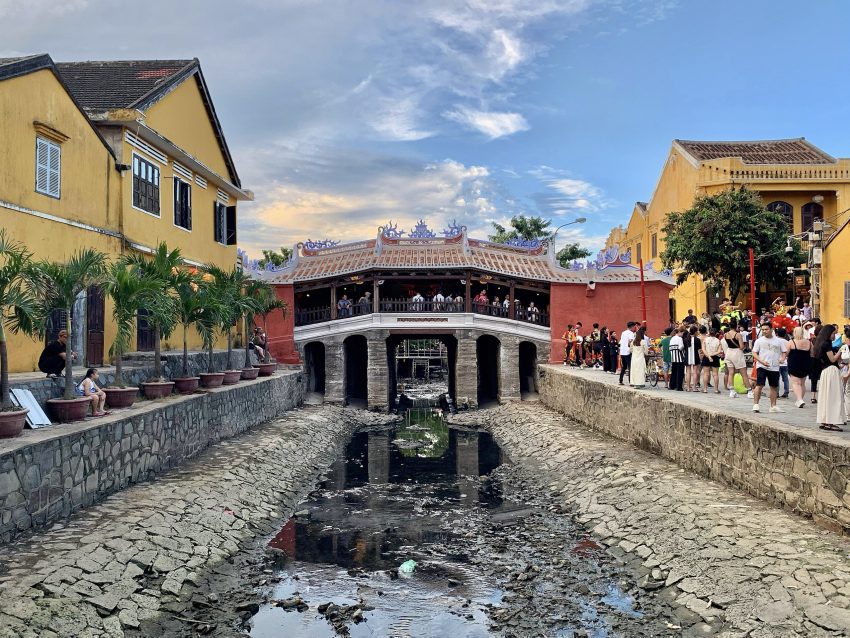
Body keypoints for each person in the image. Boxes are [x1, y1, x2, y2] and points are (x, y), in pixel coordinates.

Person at [751, 321, 788, 414]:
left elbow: (784, 351)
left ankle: (773, 406)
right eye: (763, 330)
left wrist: (782, 359)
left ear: (771, 329)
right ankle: (756, 404)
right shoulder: (759, 341)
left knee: (773, 386)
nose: (764, 331)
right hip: (762, 366)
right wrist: (761, 361)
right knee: (759, 385)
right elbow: (754, 352)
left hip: (774, 366)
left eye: (766, 329)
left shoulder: (778, 341)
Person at [813, 325, 844, 431]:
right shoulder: (827, 344)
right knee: (833, 397)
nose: (835, 335)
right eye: (834, 333)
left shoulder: (820, 343)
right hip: (831, 371)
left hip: (825, 371)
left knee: (826, 396)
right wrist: (841, 350)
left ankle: (825, 420)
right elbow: (832, 359)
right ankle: (831, 421)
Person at [722, 318, 752, 398]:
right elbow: (741, 347)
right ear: (736, 326)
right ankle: (749, 391)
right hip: (737, 353)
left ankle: (732, 391)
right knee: (743, 373)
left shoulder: (725, 334)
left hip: (729, 352)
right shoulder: (738, 335)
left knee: (731, 372)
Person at [786, 326, 811, 408]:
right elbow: (813, 353)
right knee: (802, 383)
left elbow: (786, 353)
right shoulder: (808, 342)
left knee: (796, 383)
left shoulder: (791, 342)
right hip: (806, 364)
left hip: (794, 363)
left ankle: (799, 399)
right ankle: (799, 400)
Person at [698, 326, 722, 394]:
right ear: (716, 333)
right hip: (715, 358)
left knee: (706, 374)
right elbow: (719, 351)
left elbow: (703, 349)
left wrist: (708, 356)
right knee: (715, 374)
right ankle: (716, 389)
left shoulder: (705, 340)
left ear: (709, 333)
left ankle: (705, 389)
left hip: (706, 357)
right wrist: (712, 354)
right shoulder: (718, 341)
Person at [776, 327, 791, 399]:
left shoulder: (775, 341)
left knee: (776, 378)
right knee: (785, 379)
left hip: (777, 362)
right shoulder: (787, 342)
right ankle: (786, 392)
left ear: (777, 333)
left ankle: (776, 393)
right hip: (785, 362)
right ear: (785, 334)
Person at [684, 325, 700, 392]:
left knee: (688, 372)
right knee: (695, 372)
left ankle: (688, 388)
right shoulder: (697, 340)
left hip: (687, 357)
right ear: (695, 332)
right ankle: (694, 388)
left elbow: (684, 348)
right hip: (695, 357)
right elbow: (699, 349)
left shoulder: (686, 339)